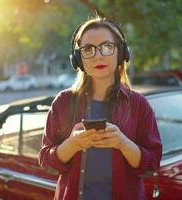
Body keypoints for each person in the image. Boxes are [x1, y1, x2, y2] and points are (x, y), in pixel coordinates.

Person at [39, 16, 162, 200]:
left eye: (107, 46)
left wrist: (122, 143)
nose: (98, 55)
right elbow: (46, 162)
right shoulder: (62, 102)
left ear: (121, 54)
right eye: (88, 49)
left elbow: (152, 164)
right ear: (78, 59)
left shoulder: (139, 104)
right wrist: (72, 145)